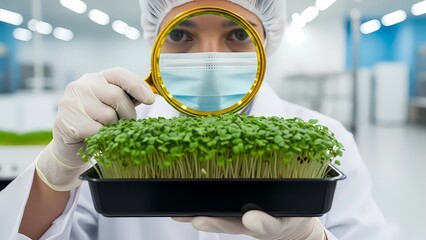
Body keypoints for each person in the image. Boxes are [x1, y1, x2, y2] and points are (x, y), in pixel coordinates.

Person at [0, 0, 388, 239]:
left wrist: (310, 239)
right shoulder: (111, 136)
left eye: (238, 33)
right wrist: (55, 173)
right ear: (155, 42)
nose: (208, 57)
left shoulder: (326, 136)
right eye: (182, 35)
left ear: (267, 41)